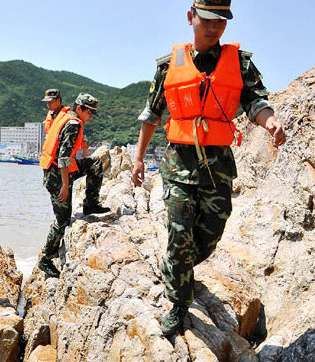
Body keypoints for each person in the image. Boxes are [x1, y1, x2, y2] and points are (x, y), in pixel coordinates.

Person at [131, 0, 286, 337]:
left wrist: (269, 120)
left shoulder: (240, 63)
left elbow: (255, 101)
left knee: (210, 235)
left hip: (217, 166)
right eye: (208, 20)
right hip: (177, 164)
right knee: (179, 234)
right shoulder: (168, 66)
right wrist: (140, 157)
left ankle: (176, 268)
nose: (215, 28)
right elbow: (151, 115)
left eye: (222, 21)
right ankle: (178, 304)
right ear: (191, 17)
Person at [39, 92, 110, 278]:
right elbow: (62, 159)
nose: (91, 116)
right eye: (89, 112)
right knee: (62, 219)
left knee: (94, 163)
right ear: (79, 109)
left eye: (93, 113)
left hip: (64, 170)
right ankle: (46, 259)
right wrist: (64, 186)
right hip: (57, 176)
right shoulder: (72, 124)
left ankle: (90, 204)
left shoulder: (69, 117)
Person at [42, 88, 89, 156]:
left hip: (64, 152)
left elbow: (81, 133)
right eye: (47, 102)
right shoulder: (50, 115)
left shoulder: (69, 114)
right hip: (51, 153)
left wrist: (85, 151)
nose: (48, 104)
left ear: (58, 101)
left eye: (50, 102)